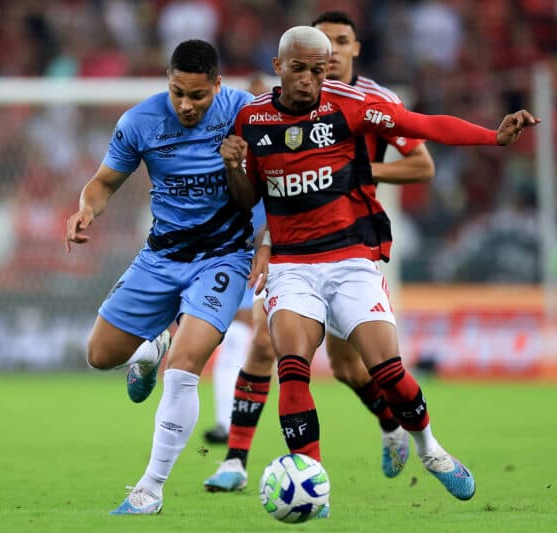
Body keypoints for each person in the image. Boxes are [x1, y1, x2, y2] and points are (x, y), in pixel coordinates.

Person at [220, 26, 538, 503]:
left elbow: (421, 124)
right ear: (278, 67)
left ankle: (430, 449)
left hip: (351, 260)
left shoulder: (350, 104)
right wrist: (234, 168)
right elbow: (249, 198)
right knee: (293, 367)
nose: (308, 79)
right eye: (299, 69)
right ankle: (313, 487)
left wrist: (492, 136)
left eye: (318, 70)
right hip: (292, 266)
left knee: (386, 370)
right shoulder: (251, 118)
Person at [203, 10, 436, 490]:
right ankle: (235, 460)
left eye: (340, 42)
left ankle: (392, 424)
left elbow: (422, 166)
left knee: (350, 368)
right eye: (321, 43)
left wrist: (357, 173)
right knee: (266, 343)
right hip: (290, 241)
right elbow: (273, 167)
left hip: (351, 243)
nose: (330, 52)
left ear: (352, 50)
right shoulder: (285, 103)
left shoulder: (373, 102)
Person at [64, 39, 255, 516]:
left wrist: (235, 165)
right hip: (161, 257)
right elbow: (104, 183)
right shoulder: (140, 121)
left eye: (198, 95)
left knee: (184, 370)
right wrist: (86, 210)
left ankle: (150, 489)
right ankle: (153, 348)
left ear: (217, 85)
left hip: (223, 258)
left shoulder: (244, 114)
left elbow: (253, 198)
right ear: (167, 83)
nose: (186, 105)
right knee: (100, 355)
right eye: (177, 93)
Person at [203, 76, 270, 445]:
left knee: (251, 342)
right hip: (232, 255)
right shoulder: (225, 148)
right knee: (237, 341)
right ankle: (226, 423)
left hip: (272, 257)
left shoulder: (276, 150)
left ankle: (232, 423)